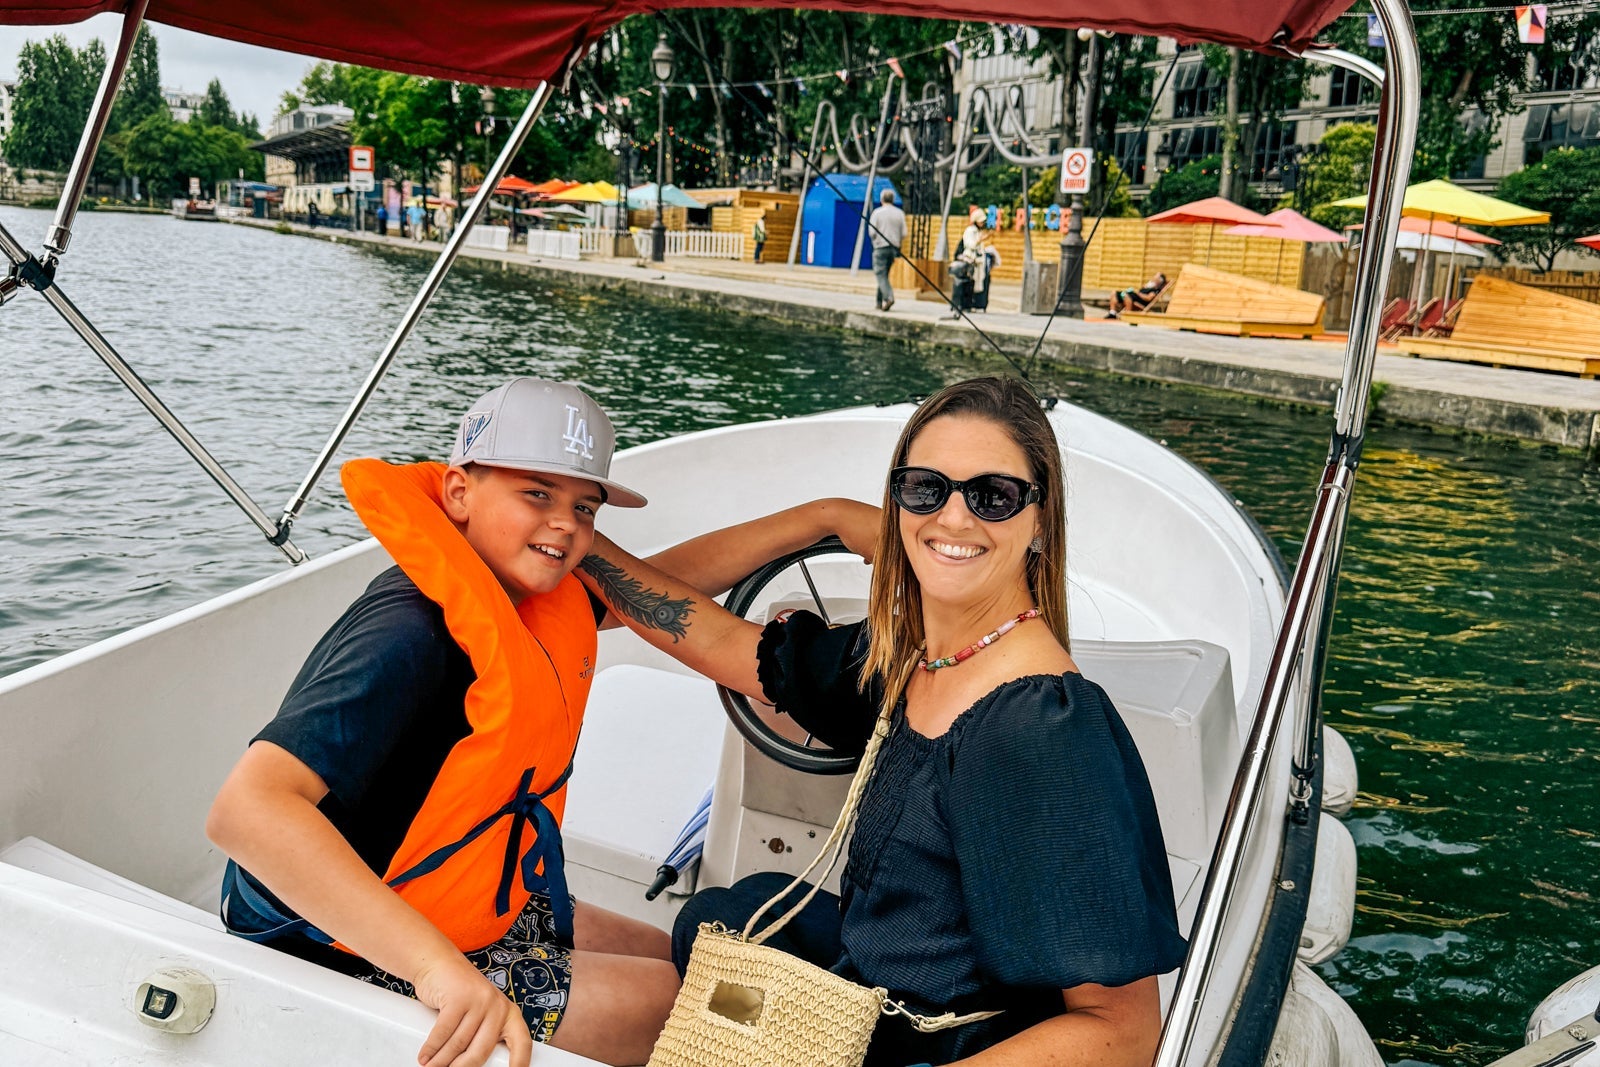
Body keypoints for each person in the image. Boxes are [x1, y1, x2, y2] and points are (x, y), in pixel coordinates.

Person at [206, 378, 872, 1067]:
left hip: (466, 902)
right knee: (704, 1002)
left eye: (584, 507)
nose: (566, 524)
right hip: (343, 944)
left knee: (681, 947)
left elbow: (657, 584)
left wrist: (817, 518)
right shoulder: (407, 636)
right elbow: (247, 810)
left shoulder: (525, 596)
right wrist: (436, 968)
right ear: (459, 492)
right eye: (537, 494)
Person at [576, 376, 1187, 1067]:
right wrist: (576, 541)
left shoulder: (1043, 731)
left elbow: (1121, 1031)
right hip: (849, 1008)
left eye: (993, 495)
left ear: (1040, 519)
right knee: (713, 930)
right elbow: (717, 640)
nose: (954, 518)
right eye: (925, 487)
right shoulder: (911, 659)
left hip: (920, 1048)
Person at [945, 207, 1001, 318]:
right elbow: (970, 244)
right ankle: (965, 304)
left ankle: (973, 304)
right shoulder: (970, 231)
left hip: (978, 261)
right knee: (969, 282)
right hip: (970, 260)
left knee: (976, 283)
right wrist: (980, 240)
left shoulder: (977, 231)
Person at [868, 187, 906, 312]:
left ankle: (888, 297)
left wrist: (876, 240)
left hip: (880, 247)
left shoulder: (877, 213)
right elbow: (904, 233)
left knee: (880, 274)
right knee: (884, 275)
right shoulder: (899, 213)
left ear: (882, 199)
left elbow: (872, 232)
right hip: (893, 249)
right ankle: (879, 303)